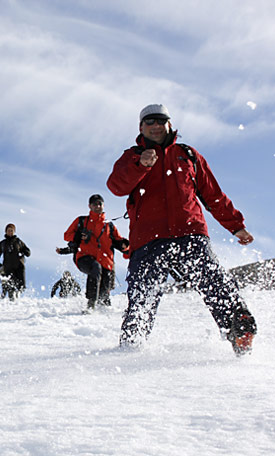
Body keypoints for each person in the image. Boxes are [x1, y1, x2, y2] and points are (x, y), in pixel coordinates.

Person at [107, 103, 257, 355]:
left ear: (169, 124)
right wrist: (140, 166)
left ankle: (239, 328)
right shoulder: (132, 156)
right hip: (148, 240)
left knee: (213, 279)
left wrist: (236, 227)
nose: (155, 126)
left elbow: (213, 194)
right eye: (150, 122)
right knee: (142, 296)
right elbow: (115, 186)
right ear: (141, 127)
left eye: (160, 121)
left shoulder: (187, 154)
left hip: (190, 233)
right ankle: (131, 347)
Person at [58, 194, 129, 311]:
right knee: (95, 268)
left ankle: (103, 312)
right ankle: (91, 304)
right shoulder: (82, 221)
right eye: (94, 204)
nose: (97, 206)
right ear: (89, 206)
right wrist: (78, 236)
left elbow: (118, 241)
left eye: (100, 203)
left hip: (106, 262)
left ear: (103, 205)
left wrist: (125, 246)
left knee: (104, 292)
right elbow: (66, 235)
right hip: (84, 257)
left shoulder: (109, 225)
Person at [0, 224, 31, 301]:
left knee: (22, 286)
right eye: (8, 230)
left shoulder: (19, 242)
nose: (10, 232)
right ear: (5, 231)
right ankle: (12, 302)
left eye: (11, 230)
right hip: (8, 268)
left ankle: (17, 295)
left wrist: (24, 252)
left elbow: (28, 252)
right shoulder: (3, 243)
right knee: (10, 286)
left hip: (19, 267)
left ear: (14, 231)